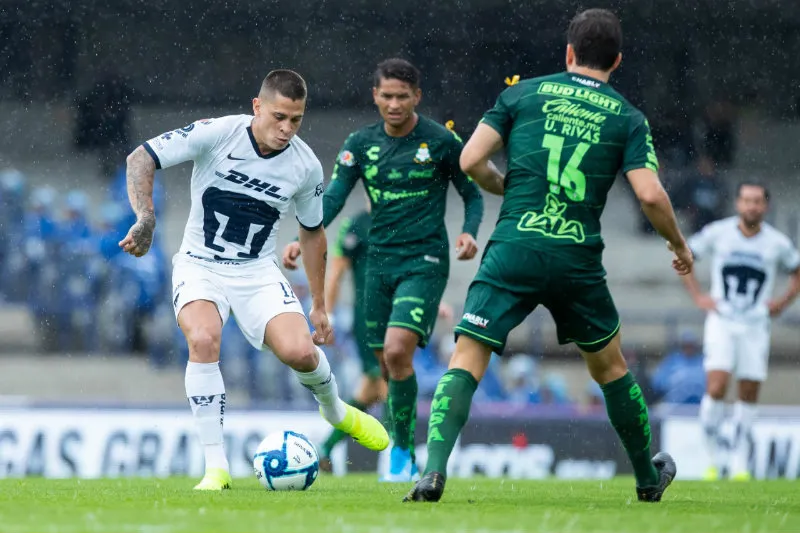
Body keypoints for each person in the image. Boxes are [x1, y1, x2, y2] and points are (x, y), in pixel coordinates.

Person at [404, 8, 693, 504]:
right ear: (617, 60)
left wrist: (505, 185)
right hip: (575, 257)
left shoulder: (523, 94)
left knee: (467, 357)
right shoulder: (627, 116)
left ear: (568, 53)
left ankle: (432, 472)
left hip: (514, 244)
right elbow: (649, 194)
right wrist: (677, 242)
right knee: (609, 367)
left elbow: (471, 159)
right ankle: (648, 478)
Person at [118, 69, 389, 491]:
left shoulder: (305, 166)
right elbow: (141, 157)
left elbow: (313, 232)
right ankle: (216, 468)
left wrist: (319, 304)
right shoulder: (217, 133)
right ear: (257, 106)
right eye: (279, 116)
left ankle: (335, 410)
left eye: (296, 120)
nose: (286, 128)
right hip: (199, 264)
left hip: (256, 271)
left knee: (301, 352)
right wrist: (146, 218)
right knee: (204, 339)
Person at [283, 58, 484, 482]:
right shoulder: (360, 144)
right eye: (386, 96)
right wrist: (303, 236)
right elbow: (333, 196)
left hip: (424, 262)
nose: (394, 104)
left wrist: (467, 232)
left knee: (396, 353)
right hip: (378, 266)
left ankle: (402, 453)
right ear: (375, 96)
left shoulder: (442, 141)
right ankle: (392, 447)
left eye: (402, 96)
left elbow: (472, 193)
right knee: (384, 366)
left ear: (417, 96)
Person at [680, 181, 800, 481]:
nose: (752, 206)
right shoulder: (719, 233)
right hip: (723, 321)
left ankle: (738, 462)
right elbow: (684, 254)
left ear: (766, 206)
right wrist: (698, 296)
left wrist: (782, 303)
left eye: (757, 201)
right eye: (746, 200)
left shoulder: (777, 242)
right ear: (737, 204)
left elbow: (796, 270)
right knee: (717, 387)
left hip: (756, 325)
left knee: (748, 393)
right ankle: (711, 459)